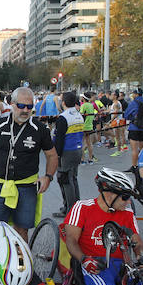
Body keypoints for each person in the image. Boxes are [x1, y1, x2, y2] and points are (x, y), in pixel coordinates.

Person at [0, 86, 58, 241]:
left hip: (27, 186)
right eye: (21, 106)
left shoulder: (40, 129)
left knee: (21, 231)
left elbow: (52, 155)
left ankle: (21, 263)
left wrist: (48, 177)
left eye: (29, 106)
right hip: (1, 184)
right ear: (12, 104)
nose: (25, 110)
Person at [53, 91, 84, 219]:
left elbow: (59, 139)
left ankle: (70, 211)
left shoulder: (63, 117)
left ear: (64, 102)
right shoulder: (78, 115)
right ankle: (76, 207)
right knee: (73, 179)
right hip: (77, 150)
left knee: (65, 180)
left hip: (66, 152)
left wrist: (57, 155)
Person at [123, 89, 143, 168]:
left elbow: (126, 115)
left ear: (136, 94)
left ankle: (134, 166)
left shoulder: (133, 103)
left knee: (134, 150)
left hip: (134, 128)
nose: (132, 95)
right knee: (142, 149)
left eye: (133, 94)